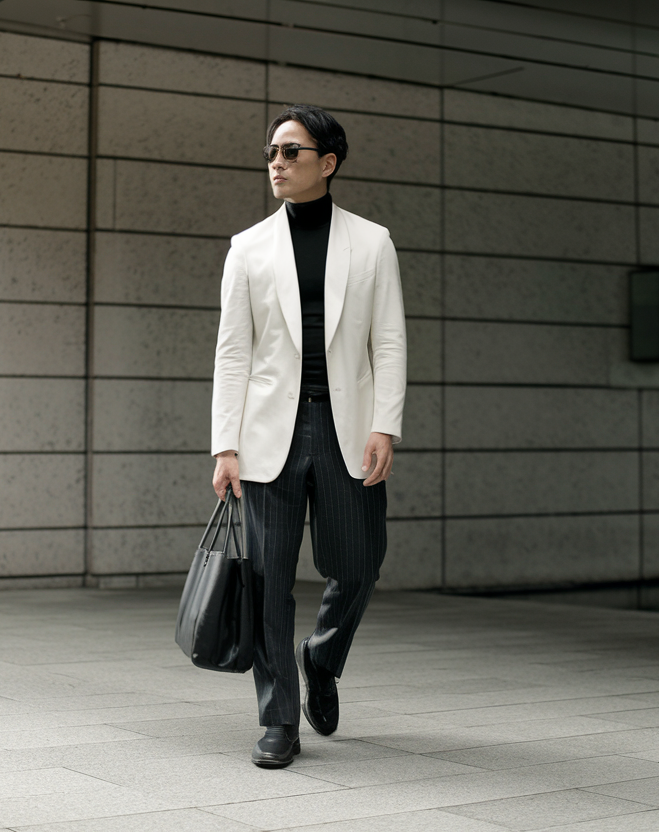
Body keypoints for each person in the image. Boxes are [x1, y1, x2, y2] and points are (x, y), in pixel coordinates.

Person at [210, 104, 407, 768]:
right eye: (271, 151)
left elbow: (389, 339)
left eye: (291, 152)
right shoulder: (247, 249)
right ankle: (277, 722)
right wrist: (225, 444)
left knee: (359, 563)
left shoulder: (372, 242)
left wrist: (385, 422)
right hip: (269, 434)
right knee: (267, 583)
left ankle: (321, 657)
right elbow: (232, 354)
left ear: (328, 162)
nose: (277, 162)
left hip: (346, 427)